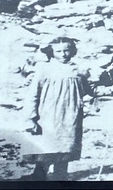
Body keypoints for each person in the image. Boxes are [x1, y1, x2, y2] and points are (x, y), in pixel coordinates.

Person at [26, 37, 94, 179]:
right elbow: (33, 94)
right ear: (52, 52)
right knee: (47, 149)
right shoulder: (44, 69)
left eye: (67, 50)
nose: (63, 54)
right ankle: (38, 179)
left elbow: (88, 91)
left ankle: (60, 178)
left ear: (73, 51)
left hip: (71, 116)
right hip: (48, 115)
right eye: (58, 51)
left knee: (66, 149)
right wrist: (31, 117)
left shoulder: (78, 71)